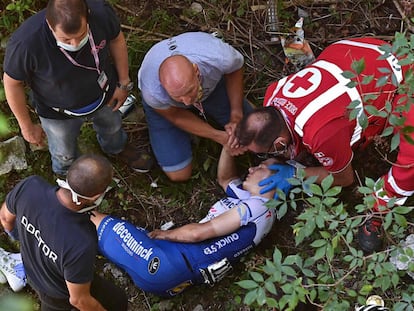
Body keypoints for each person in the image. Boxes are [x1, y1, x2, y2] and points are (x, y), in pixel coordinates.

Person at [234, 37, 414, 254]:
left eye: (267, 153)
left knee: (410, 159)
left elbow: (344, 178)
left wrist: (295, 173)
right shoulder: (273, 94)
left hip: (401, 83)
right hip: (361, 53)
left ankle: (378, 210)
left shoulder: (320, 133)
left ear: (279, 142)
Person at [89, 147, 278, 297]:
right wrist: (228, 146)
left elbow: (199, 233)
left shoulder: (258, 206)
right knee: (100, 236)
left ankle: (67, 205)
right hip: (173, 277)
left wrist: (166, 234)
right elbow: (226, 179)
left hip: (168, 263)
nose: (252, 168)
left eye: (261, 168)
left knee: (97, 221)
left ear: (277, 181)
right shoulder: (254, 203)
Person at [3, 0, 152, 176]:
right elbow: (12, 83)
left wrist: (124, 82)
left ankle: (116, 148)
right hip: (57, 112)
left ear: (88, 17)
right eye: (66, 39)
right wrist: (26, 126)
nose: (74, 44)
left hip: (105, 94)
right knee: (63, 152)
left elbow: (116, 40)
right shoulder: (26, 44)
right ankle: (68, 175)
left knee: (112, 128)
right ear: (50, 25)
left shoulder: (101, 14)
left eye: (81, 36)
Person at [0, 154, 128, 311]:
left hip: (31, 272)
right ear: (96, 197)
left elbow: (5, 218)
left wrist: (29, 241)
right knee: (117, 301)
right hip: (58, 296)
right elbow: (79, 300)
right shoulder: (81, 241)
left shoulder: (30, 186)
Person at [138, 31, 253, 182]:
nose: (186, 102)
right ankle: (188, 128)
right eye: (177, 96)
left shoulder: (220, 57)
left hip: (210, 89)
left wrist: (236, 114)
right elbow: (176, 115)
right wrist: (219, 137)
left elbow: (235, 70)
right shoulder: (152, 91)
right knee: (179, 174)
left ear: (196, 70)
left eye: (189, 91)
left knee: (253, 134)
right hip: (170, 109)